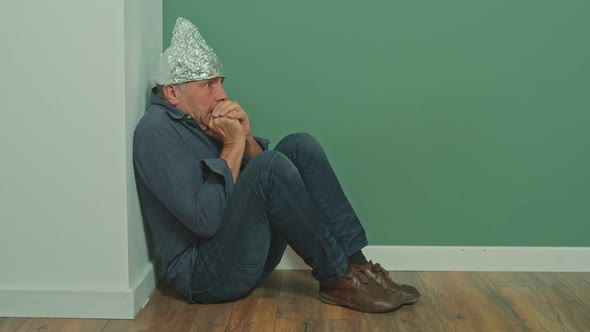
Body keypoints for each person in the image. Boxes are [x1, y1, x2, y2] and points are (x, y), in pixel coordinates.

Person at [133, 17, 421, 313]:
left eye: (220, 83)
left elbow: (259, 193)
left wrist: (246, 140)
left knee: (299, 146)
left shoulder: (199, 117)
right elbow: (205, 221)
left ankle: (359, 269)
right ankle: (336, 277)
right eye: (208, 85)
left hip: (244, 255)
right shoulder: (156, 133)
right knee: (270, 166)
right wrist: (232, 145)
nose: (222, 95)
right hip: (206, 276)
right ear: (172, 93)